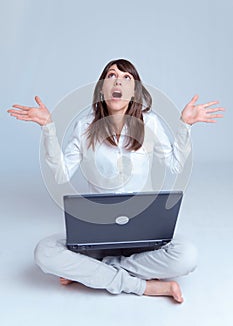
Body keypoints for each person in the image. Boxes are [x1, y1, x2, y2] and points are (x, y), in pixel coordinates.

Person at [8, 59, 224, 303]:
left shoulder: (149, 123)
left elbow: (175, 164)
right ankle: (145, 287)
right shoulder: (84, 126)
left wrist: (185, 126)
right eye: (111, 75)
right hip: (97, 234)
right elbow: (60, 174)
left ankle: (94, 272)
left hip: (142, 234)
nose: (118, 80)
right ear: (102, 88)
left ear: (134, 91)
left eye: (126, 77)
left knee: (187, 256)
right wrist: (48, 129)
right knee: (45, 253)